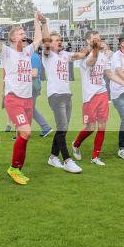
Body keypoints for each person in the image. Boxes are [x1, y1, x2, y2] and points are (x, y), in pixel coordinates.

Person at [2, 12, 45, 185]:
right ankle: (13, 168)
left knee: (24, 135)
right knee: (26, 132)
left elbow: (39, 39)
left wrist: (36, 21)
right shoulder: (6, 52)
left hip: (28, 99)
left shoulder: (28, 52)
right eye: (20, 33)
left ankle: (18, 169)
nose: (23, 35)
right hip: (14, 99)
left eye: (23, 33)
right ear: (12, 38)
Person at [71, 32, 124, 166]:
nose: (98, 41)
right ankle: (76, 144)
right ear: (88, 41)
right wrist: (94, 49)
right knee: (90, 128)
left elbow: (109, 74)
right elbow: (92, 60)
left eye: (99, 39)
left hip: (102, 93)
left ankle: (95, 157)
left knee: (102, 126)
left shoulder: (104, 56)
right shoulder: (85, 56)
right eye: (95, 39)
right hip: (89, 97)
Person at [41, 27, 84, 173]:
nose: (60, 42)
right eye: (56, 40)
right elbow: (46, 42)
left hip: (67, 95)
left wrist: (91, 45)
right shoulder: (47, 55)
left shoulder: (65, 54)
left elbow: (80, 55)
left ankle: (53, 157)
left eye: (60, 40)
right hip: (55, 95)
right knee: (63, 127)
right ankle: (67, 160)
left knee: (62, 129)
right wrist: (43, 23)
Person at [30, 45, 53, 138]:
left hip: (33, 86)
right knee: (30, 109)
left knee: (28, 109)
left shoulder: (33, 57)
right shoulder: (33, 56)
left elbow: (34, 74)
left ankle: (46, 127)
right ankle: (45, 127)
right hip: (33, 86)